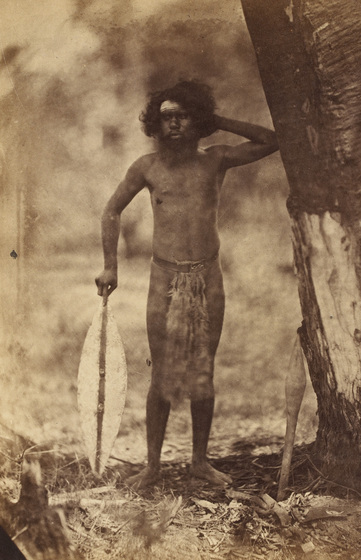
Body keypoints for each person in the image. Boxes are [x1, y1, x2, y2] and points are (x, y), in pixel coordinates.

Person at [95, 80, 279, 489]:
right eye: (166, 117)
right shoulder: (147, 167)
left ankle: (199, 462)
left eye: (183, 116)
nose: (174, 124)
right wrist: (111, 267)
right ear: (155, 124)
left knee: (203, 371)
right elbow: (111, 211)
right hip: (164, 279)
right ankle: (153, 467)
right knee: (161, 372)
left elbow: (271, 140)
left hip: (206, 278)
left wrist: (218, 121)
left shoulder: (215, 159)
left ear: (197, 120)